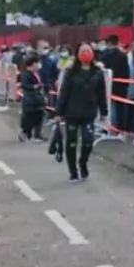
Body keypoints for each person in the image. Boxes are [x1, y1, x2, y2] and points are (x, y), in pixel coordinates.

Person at [54, 44, 108, 182]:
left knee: (88, 140)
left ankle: (83, 162)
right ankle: (73, 171)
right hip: (72, 112)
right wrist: (58, 112)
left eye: (88, 51)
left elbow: (101, 93)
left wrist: (104, 111)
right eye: (83, 51)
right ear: (77, 54)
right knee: (71, 142)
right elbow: (64, 92)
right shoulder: (71, 71)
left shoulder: (97, 72)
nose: (86, 53)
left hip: (89, 112)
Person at [99, 35, 130, 139]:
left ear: (108, 43)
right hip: (120, 86)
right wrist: (126, 85)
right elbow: (126, 72)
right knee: (120, 109)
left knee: (106, 107)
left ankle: (105, 129)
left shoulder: (104, 55)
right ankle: (120, 131)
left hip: (106, 86)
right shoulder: (123, 55)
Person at [19, 54, 46, 142]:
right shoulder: (26, 74)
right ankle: (26, 133)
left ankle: (37, 135)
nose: (38, 65)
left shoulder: (36, 73)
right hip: (30, 99)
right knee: (29, 117)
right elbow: (24, 85)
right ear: (33, 64)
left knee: (39, 116)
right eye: (37, 63)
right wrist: (34, 87)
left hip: (38, 98)